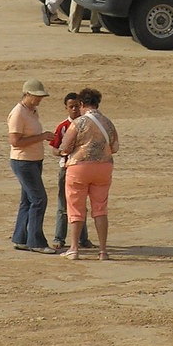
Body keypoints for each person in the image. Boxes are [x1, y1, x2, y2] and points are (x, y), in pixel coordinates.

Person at [59, 87, 118, 260]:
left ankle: (74, 248)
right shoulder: (108, 122)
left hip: (79, 167)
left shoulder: (78, 123)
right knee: (100, 208)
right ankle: (103, 251)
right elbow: (115, 147)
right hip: (103, 167)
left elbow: (65, 147)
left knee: (75, 208)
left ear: (82, 103)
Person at [7, 78, 57, 254]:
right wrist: (42, 137)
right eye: (36, 96)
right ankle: (36, 242)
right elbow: (15, 141)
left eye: (40, 97)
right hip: (23, 162)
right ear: (27, 94)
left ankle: (20, 238)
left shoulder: (32, 111)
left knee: (27, 200)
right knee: (39, 199)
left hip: (34, 161)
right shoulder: (18, 112)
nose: (39, 100)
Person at [48, 92, 94, 251]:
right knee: (63, 206)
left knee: (81, 206)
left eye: (76, 106)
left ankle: (83, 238)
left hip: (83, 168)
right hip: (66, 168)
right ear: (66, 108)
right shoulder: (63, 127)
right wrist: (62, 153)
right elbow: (54, 147)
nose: (74, 109)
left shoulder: (87, 124)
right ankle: (59, 238)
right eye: (71, 107)